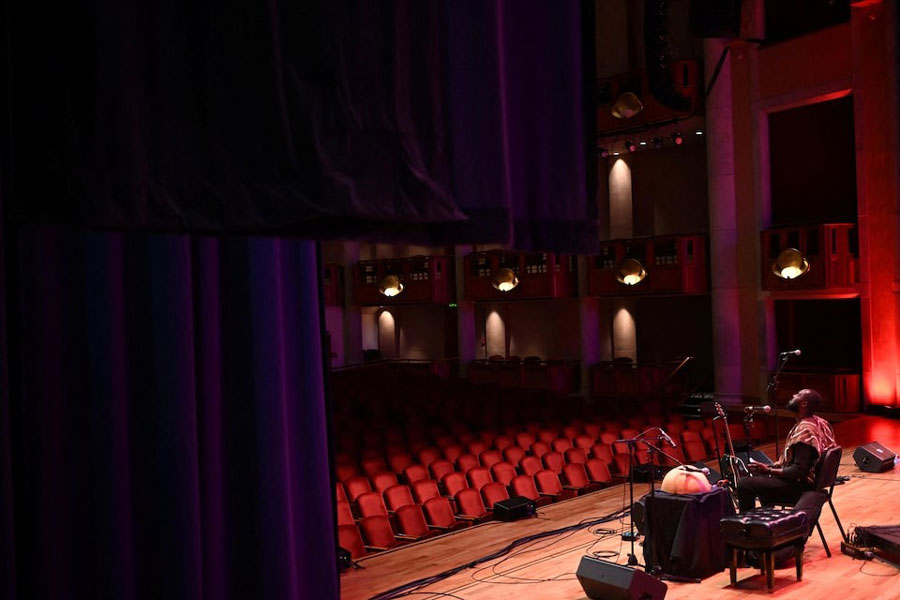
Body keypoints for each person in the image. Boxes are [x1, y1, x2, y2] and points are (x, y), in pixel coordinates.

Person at [736, 388, 836, 512]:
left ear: (804, 404)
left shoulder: (805, 430)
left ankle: (747, 528)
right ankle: (765, 521)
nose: (793, 395)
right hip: (815, 484)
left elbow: (799, 470)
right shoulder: (821, 423)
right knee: (759, 478)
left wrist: (769, 470)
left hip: (802, 489)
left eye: (798, 395)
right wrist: (768, 468)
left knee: (745, 484)